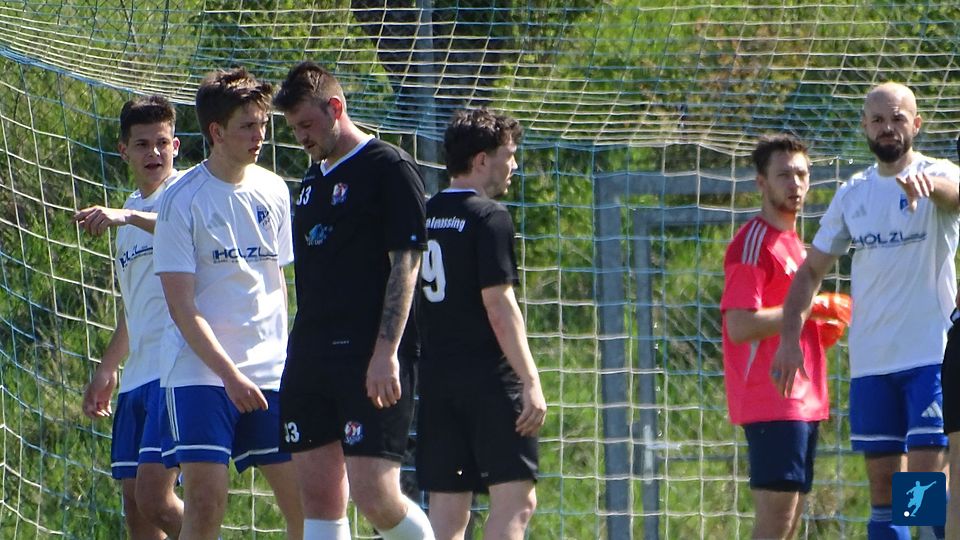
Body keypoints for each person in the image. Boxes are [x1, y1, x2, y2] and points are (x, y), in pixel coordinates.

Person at [773, 82, 958, 540]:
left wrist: (931, 188)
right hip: (872, 365)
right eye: (878, 120)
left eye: (897, 118)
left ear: (916, 124)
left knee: (924, 493)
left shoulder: (938, 173)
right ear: (865, 127)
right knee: (885, 499)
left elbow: (956, 196)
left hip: (929, 359)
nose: (887, 127)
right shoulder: (853, 193)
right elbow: (810, 271)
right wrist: (789, 339)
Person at [272, 61, 433, 540]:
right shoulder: (311, 181)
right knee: (319, 500)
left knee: (374, 495)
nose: (301, 136)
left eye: (306, 124)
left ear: (336, 108)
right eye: (293, 128)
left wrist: (386, 352)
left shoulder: (389, 167)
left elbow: (406, 266)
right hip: (311, 355)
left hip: (367, 355)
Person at [153, 68, 303, 540]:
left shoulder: (275, 190)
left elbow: (277, 282)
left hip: (270, 373)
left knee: (306, 503)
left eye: (263, 124)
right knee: (204, 503)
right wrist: (230, 375)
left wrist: (287, 357)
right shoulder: (181, 200)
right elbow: (181, 306)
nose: (260, 135)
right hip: (201, 375)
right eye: (248, 126)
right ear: (216, 132)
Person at [415, 108, 546, 539]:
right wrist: (529, 379)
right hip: (489, 383)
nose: (514, 165)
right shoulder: (490, 216)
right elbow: (499, 305)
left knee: (448, 514)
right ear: (482, 160)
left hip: (437, 383)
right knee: (516, 503)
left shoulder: (424, 215)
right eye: (509, 155)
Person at [720, 133, 846, 539]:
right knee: (776, 521)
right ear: (761, 183)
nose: (795, 184)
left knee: (789, 522)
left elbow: (792, 320)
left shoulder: (795, 245)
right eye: (784, 175)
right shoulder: (753, 242)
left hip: (803, 400)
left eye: (802, 174)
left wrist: (819, 324)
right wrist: (812, 309)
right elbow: (740, 325)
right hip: (772, 397)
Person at [76, 95, 184, 539]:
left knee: (156, 499)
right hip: (138, 375)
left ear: (176, 145)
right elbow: (134, 307)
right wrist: (107, 368)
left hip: (177, 371)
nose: (153, 153)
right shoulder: (129, 211)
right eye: (142, 144)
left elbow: (186, 231)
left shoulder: (187, 194)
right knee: (136, 510)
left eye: (162, 142)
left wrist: (127, 216)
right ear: (124, 151)